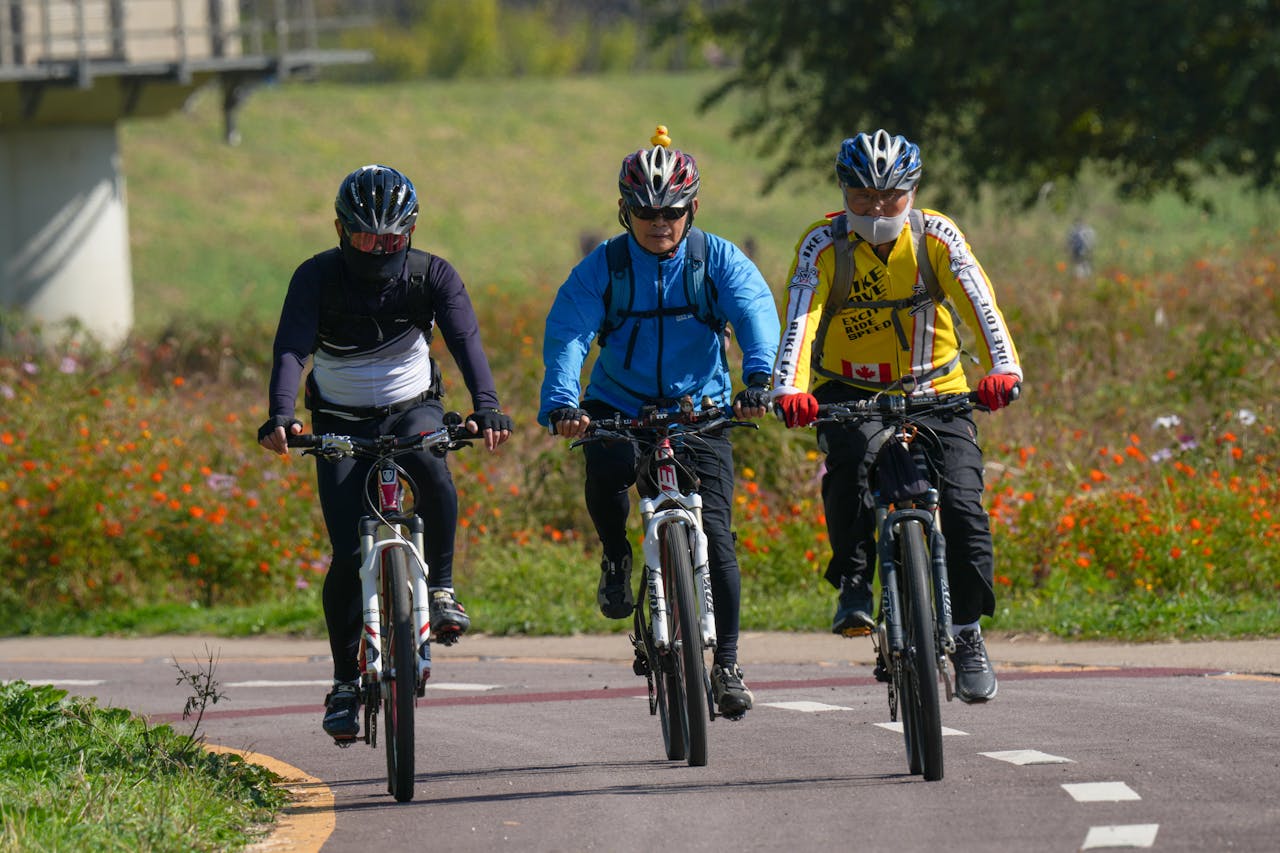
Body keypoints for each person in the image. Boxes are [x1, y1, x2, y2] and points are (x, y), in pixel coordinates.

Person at [257, 164, 513, 741]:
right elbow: (293, 349)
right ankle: (344, 683)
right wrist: (281, 415)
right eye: (366, 239)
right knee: (348, 553)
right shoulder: (315, 277)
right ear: (341, 230)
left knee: (434, 470)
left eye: (392, 239)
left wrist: (488, 404)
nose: (379, 250)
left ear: (412, 230)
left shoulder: (433, 275)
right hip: (338, 418)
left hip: (412, 406)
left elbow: (465, 339)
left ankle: (442, 589)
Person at [538, 127, 781, 719]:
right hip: (617, 405)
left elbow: (754, 315)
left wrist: (758, 382)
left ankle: (725, 663)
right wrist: (563, 403)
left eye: (671, 211)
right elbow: (569, 335)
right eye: (645, 211)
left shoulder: (717, 260)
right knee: (606, 470)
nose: (659, 222)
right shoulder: (604, 269)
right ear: (624, 212)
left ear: (691, 209)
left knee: (717, 539)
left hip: (701, 410)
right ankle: (616, 555)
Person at [771, 130, 1021, 703]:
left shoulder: (937, 234)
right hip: (848, 388)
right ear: (843, 192)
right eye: (862, 196)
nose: (877, 208)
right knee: (848, 467)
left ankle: (968, 632)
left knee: (962, 506)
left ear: (912, 192)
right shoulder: (822, 244)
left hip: (937, 387)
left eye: (890, 196)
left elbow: (982, 302)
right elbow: (800, 318)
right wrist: (791, 389)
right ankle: (855, 582)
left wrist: (1004, 370)